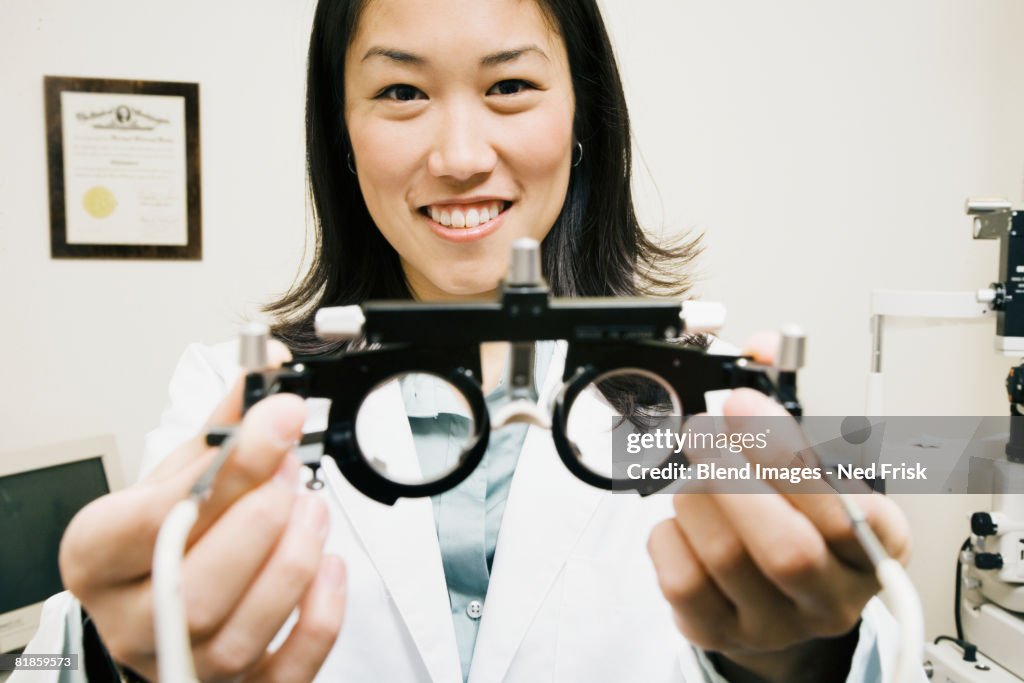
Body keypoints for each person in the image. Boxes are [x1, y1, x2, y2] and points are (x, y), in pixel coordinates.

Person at [23, 0, 918, 681]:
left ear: (583, 121)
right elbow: (106, 636)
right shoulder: (231, 388)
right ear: (341, 132)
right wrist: (129, 652)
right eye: (401, 91)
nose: (459, 153)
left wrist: (803, 649)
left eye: (510, 87)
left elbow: (871, 650)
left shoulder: (711, 399)